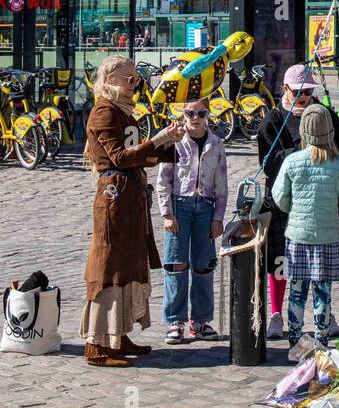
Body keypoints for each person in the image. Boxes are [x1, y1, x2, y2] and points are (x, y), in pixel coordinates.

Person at [80, 55, 183, 368]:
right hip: (114, 197)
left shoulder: (123, 110)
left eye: (136, 79)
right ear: (110, 79)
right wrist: (159, 139)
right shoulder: (103, 111)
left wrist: (173, 143)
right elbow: (121, 157)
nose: (134, 83)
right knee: (108, 266)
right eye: (129, 78)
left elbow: (141, 153)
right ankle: (96, 345)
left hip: (130, 197)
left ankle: (118, 335)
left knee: (127, 266)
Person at [257, 63, 339, 339]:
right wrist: (299, 157)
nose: (304, 96)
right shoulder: (273, 119)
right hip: (284, 199)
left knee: (322, 261)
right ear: (285, 89)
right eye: (298, 91)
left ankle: (325, 315)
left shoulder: (325, 115)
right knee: (281, 259)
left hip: (319, 198)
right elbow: (267, 163)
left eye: (308, 90)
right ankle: (276, 314)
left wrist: (324, 150)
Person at [271, 104, 339, 349]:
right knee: (323, 292)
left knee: (297, 291)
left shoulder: (292, 161)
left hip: (298, 236)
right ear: (330, 131)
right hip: (328, 236)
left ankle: (295, 343)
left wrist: (293, 209)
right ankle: (320, 341)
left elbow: (280, 198)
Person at [157, 97, 228, 344]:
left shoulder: (216, 144)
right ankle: (175, 320)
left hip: (205, 207)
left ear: (208, 114)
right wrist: (167, 213)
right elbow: (163, 180)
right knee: (175, 264)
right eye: (190, 113)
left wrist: (218, 217)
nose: (195, 118)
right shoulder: (174, 141)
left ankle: (200, 321)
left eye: (201, 113)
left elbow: (221, 184)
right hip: (180, 205)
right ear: (183, 114)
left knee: (203, 265)